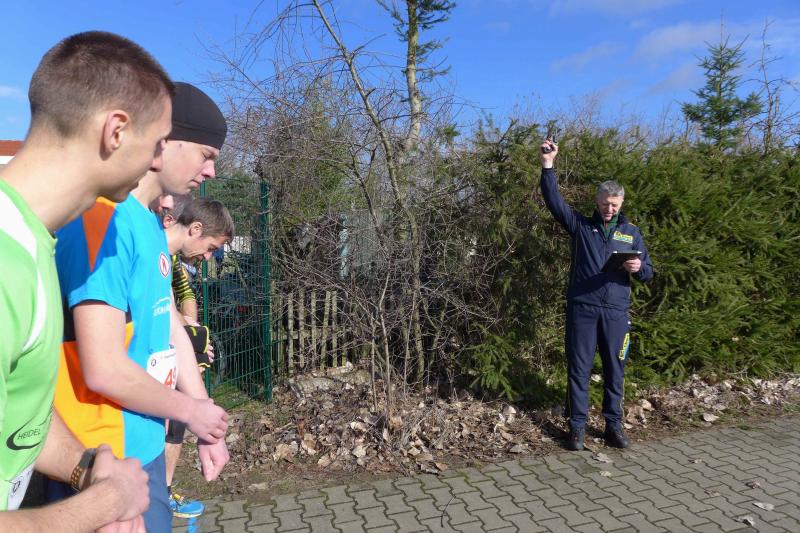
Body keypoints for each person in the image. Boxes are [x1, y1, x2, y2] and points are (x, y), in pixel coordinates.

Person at [0, 30, 174, 531]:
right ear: (115, 131)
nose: (158, 161)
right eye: (157, 142)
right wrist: (106, 503)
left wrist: (87, 470)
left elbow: (20, 412)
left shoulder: (35, 242)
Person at [49, 82, 230, 532]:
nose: (210, 171)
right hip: (99, 458)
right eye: (206, 154)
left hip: (144, 446)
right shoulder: (101, 219)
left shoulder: (148, 223)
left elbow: (167, 324)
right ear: (166, 139)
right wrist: (189, 412)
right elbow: (103, 369)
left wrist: (204, 418)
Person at [539, 138, 653, 451]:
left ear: (621, 204)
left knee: (616, 370)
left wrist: (638, 266)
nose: (609, 209)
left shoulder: (631, 234)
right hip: (583, 310)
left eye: (614, 205)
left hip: (616, 313)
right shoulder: (580, 226)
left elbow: (648, 273)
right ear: (597, 200)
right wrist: (548, 165)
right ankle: (576, 428)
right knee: (579, 370)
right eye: (605, 203)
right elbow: (554, 201)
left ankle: (613, 427)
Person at [156, 193, 233, 518]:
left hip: (162, 374)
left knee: (173, 429)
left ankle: (163, 492)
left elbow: (176, 305)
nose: (209, 256)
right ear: (196, 229)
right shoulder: (149, 248)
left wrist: (191, 334)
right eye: (211, 247)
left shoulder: (171, 259)